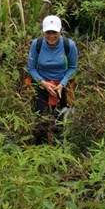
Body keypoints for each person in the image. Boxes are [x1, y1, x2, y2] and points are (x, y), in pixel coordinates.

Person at [26, 15, 78, 144]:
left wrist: (62, 84)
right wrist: (44, 83)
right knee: (41, 120)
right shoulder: (36, 44)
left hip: (61, 86)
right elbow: (31, 68)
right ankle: (39, 150)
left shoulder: (68, 45)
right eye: (48, 32)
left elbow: (72, 68)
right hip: (41, 84)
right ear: (43, 32)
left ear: (60, 30)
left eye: (54, 32)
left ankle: (58, 151)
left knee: (59, 121)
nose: (51, 36)